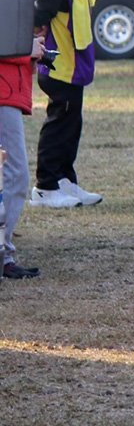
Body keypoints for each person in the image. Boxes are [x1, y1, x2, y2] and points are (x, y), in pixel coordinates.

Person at [30, 0, 108, 208]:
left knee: (71, 122)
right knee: (58, 121)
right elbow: (39, 13)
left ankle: (64, 179)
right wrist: (38, 41)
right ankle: (45, 186)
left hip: (74, 63)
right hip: (58, 63)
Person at [0, 34, 46, 277]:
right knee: (15, 175)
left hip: (7, 90)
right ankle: (3, 253)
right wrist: (26, 49)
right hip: (3, 91)